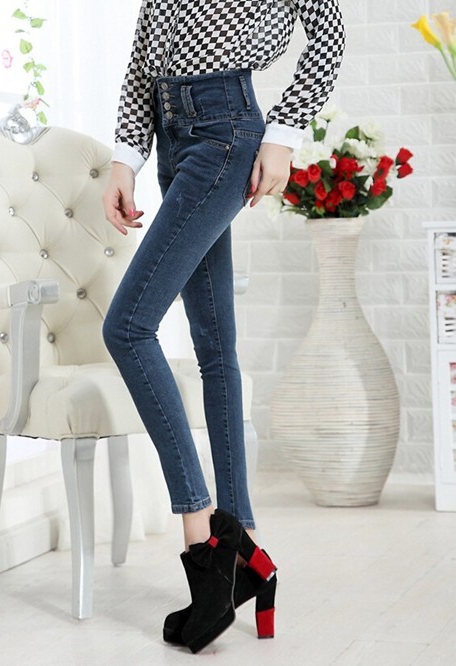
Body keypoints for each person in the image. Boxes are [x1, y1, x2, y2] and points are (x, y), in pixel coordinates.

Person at [102, 0, 345, 653]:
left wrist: (284, 134)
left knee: (127, 328)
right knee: (214, 347)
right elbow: (144, 53)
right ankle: (246, 551)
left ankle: (204, 537)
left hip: (224, 129)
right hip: (172, 133)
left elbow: (328, 30)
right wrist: (125, 156)